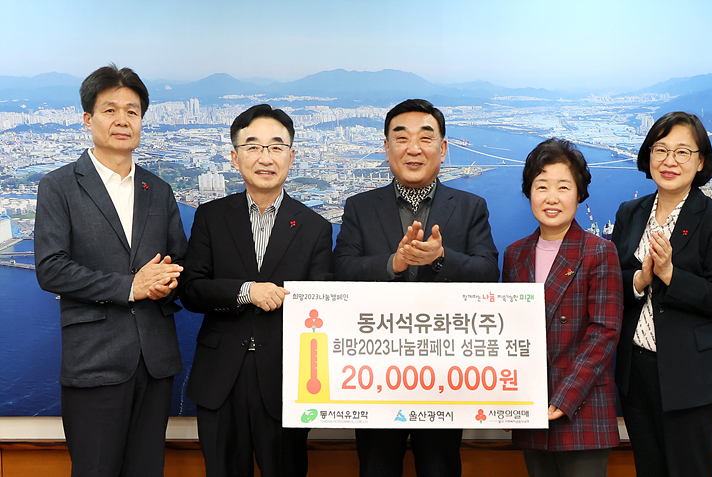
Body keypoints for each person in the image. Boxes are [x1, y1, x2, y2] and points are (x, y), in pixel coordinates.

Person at [34, 64, 187, 476]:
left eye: (132, 112)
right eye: (110, 110)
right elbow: (50, 268)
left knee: (147, 469)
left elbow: (178, 263)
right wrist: (131, 287)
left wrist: (166, 283)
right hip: (94, 360)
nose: (122, 120)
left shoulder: (159, 189)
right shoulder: (59, 186)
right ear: (88, 119)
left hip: (155, 361)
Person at [334, 98, 500, 477]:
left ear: (443, 149)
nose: (413, 148)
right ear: (386, 148)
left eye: (425, 138)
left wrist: (440, 258)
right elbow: (340, 271)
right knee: (376, 468)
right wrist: (393, 264)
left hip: (444, 371)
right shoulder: (359, 206)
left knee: (440, 468)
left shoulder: (471, 206)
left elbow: (488, 272)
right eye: (401, 137)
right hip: (375, 371)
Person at [181, 104, 334, 477]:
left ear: (291, 157)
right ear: (235, 158)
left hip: (284, 379)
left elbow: (321, 307)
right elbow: (192, 290)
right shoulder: (210, 217)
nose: (265, 157)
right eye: (253, 147)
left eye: (276, 147)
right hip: (220, 378)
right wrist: (246, 291)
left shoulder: (315, 227)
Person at [611, 112, 712, 477]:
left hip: (691, 376)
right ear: (648, 155)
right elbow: (613, 281)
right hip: (636, 371)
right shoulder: (630, 213)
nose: (670, 160)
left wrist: (670, 274)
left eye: (683, 152)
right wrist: (639, 280)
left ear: (700, 162)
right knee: (648, 469)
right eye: (661, 149)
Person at [503, 138, 623, 476]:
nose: (551, 197)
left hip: (582, 408)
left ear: (579, 194)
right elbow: (509, 334)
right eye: (541, 186)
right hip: (531, 408)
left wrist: (564, 397)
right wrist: (506, 401)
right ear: (529, 192)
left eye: (563, 187)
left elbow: (604, 332)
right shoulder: (515, 254)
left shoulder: (599, 251)